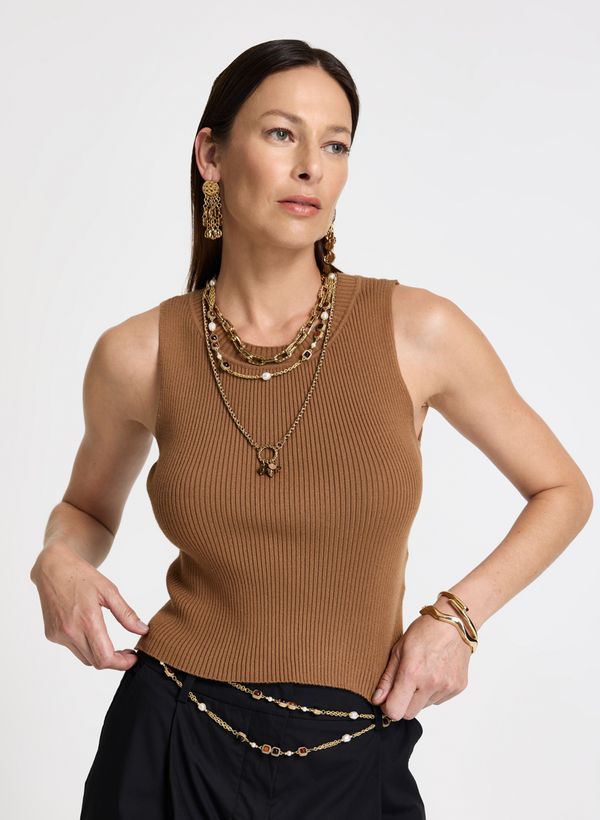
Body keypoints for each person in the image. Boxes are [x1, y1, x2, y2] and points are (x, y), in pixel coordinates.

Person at [29, 39, 593, 820]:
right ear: (211, 155)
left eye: (335, 145)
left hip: (353, 753)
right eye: (281, 134)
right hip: (167, 741)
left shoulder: (418, 331)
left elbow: (563, 490)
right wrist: (57, 559)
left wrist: (457, 618)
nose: (311, 168)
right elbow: (87, 510)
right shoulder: (138, 354)